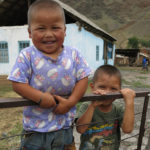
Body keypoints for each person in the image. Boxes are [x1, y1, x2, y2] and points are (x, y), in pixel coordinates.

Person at [8, 0, 91, 149]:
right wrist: (40, 97)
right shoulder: (27, 55)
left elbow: (83, 79)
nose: (48, 34)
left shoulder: (74, 54)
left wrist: (71, 102)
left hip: (65, 127)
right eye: (41, 28)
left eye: (55, 28)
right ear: (29, 32)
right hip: (35, 130)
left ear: (65, 30)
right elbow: (17, 83)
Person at [76, 65, 135, 150]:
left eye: (113, 89)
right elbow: (81, 129)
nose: (107, 93)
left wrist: (129, 102)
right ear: (93, 87)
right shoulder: (86, 105)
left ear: (120, 91)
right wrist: (92, 106)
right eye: (102, 87)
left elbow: (128, 129)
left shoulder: (117, 108)